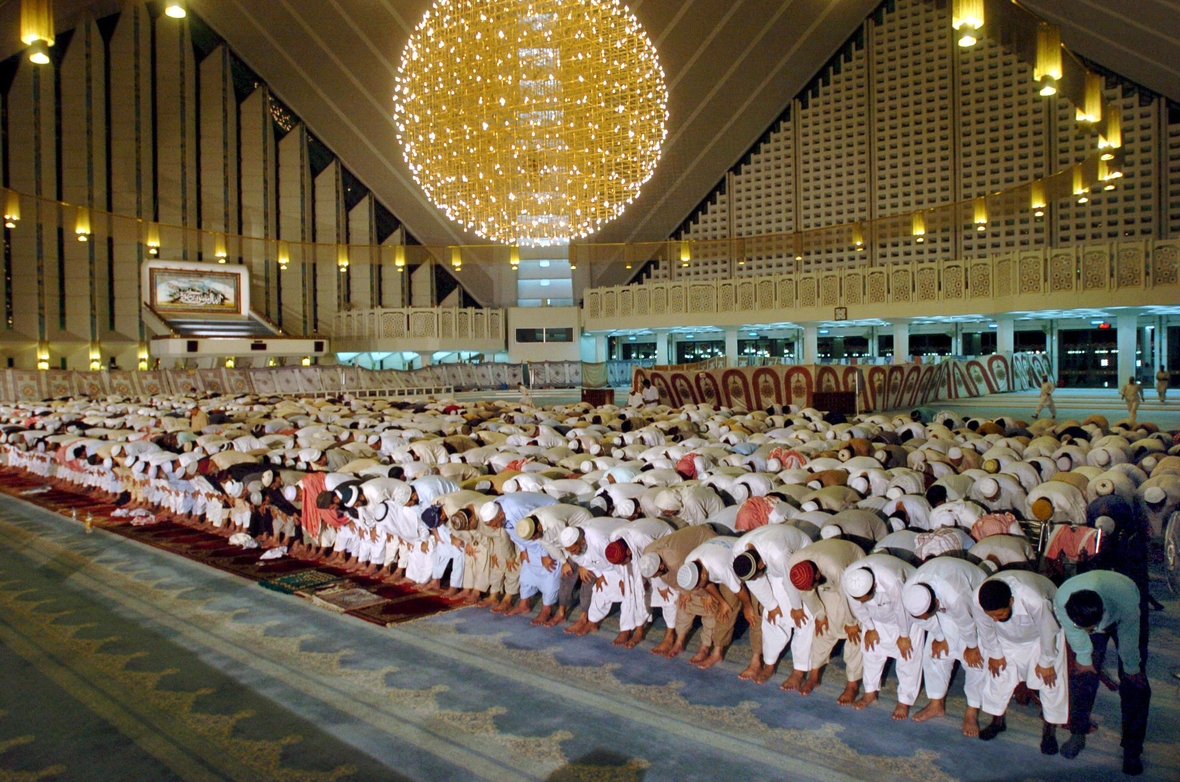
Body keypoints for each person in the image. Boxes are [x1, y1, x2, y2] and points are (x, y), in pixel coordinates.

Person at [1054, 570, 1150, 776]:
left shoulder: (1126, 600)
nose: (1092, 631)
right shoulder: (1062, 599)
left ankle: (1132, 750)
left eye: (1093, 627)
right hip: (1087, 614)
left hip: (1123, 611)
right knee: (1081, 676)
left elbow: (1129, 639)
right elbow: (1075, 635)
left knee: (1136, 684)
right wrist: (1084, 659)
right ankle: (1078, 731)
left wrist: (1132, 668)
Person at [974, 571, 1067, 755]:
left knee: (1050, 682)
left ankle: (1049, 731)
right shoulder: (978, 599)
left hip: (1040, 638)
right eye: (991, 615)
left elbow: (1048, 631)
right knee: (997, 675)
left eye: (999, 614)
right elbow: (984, 628)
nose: (994, 619)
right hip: (1006, 638)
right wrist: (994, 652)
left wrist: (1047, 661)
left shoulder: (1034, 599)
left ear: (1011, 601)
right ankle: (997, 722)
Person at [901, 556, 988, 736]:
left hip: (975, 602)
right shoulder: (910, 592)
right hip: (944, 608)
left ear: (936, 604)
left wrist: (971, 646)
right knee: (934, 654)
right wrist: (939, 636)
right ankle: (936, 704)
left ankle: (971, 711)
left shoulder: (954, 594)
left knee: (975, 661)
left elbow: (967, 622)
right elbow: (922, 619)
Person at [842, 554, 922, 720]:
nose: (861, 601)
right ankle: (870, 693)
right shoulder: (849, 578)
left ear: (874, 587)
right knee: (871, 651)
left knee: (907, 656)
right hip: (878, 615)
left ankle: (904, 700)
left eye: (865, 598)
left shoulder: (891, 580)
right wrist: (870, 627)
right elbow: (856, 606)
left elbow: (902, 609)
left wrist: (904, 635)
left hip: (907, 615)